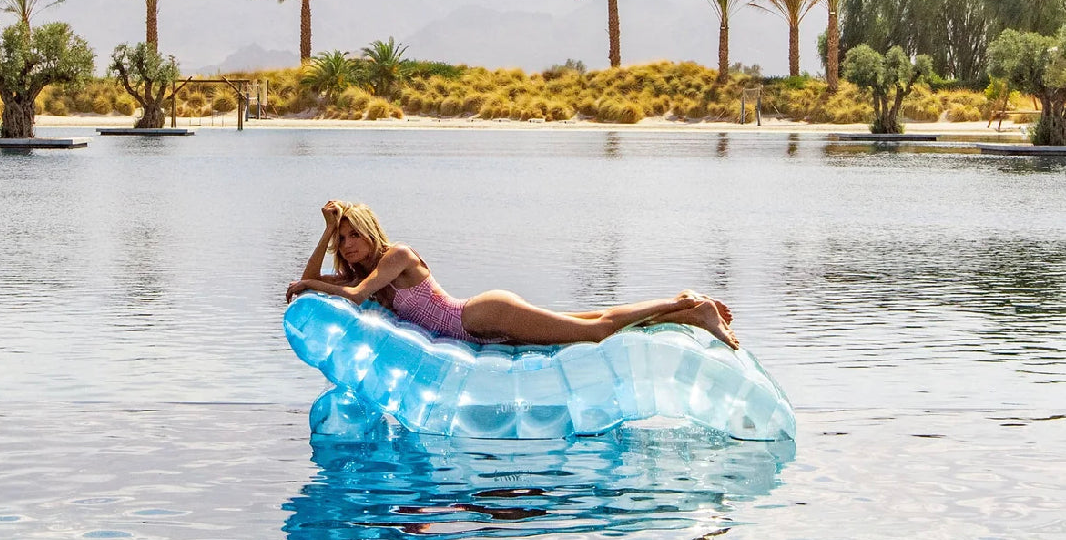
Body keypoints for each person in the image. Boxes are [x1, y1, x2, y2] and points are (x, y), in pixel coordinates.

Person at [286, 200, 739, 349]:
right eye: (341, 240)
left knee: (597, 332)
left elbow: (356, 294)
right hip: (479, 328)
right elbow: (312, 286)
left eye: (350, 235)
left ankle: (689, 306)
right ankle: (688, 311)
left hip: (481, 316)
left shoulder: (395, 257)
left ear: (370, 232)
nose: (346, 245)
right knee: (596, 318)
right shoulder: (363, 274)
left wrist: (310, 283)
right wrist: (324, 233)